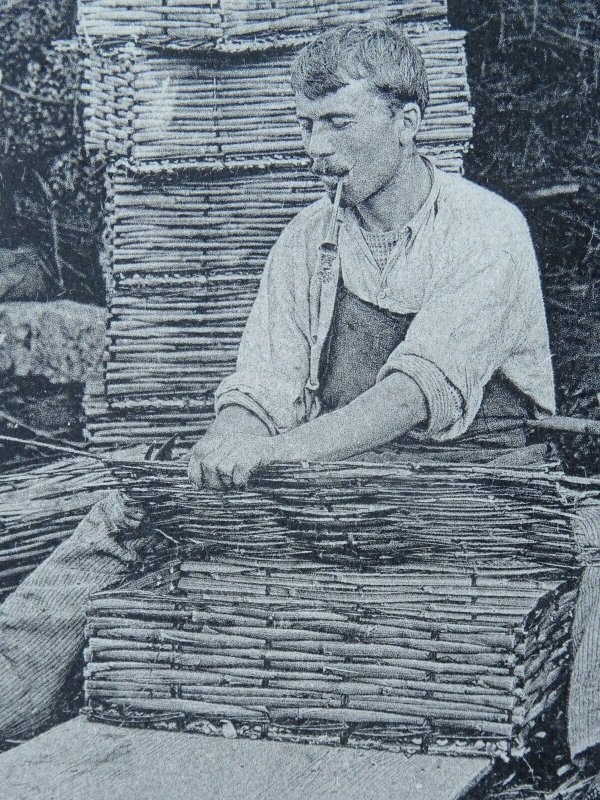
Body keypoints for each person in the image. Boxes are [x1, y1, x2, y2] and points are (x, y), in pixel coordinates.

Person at [187, 23, 600, 797]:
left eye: (338, 122)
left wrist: (274, 453)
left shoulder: (486, 228)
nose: (315, 146)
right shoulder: (305, 239)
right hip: (353, 493)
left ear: (408, 123)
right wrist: (231, 436)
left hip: (481, 497)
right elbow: (263, 383)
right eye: (305, 125)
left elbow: (413, 394)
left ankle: (587, 770)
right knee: (122, 516)